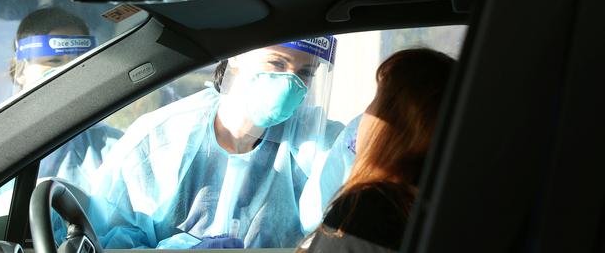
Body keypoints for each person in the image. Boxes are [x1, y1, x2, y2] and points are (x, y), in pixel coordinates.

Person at [85, 36, 344, 249]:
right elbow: (109, 240)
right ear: (236, 55)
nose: (291, 84)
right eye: (276, 63)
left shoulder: (316, 144)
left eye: (305, 73)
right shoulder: (161, 139)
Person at [301, 48, 454, 252]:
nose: (365, 114)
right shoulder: (442, 209)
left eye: (376, 100)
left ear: (394, 124)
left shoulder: (371, 211)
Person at [10, 8, 123, 193]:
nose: (67, 72)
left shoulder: (113, 147)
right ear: (21, 71)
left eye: (79, 62)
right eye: (54, 61)